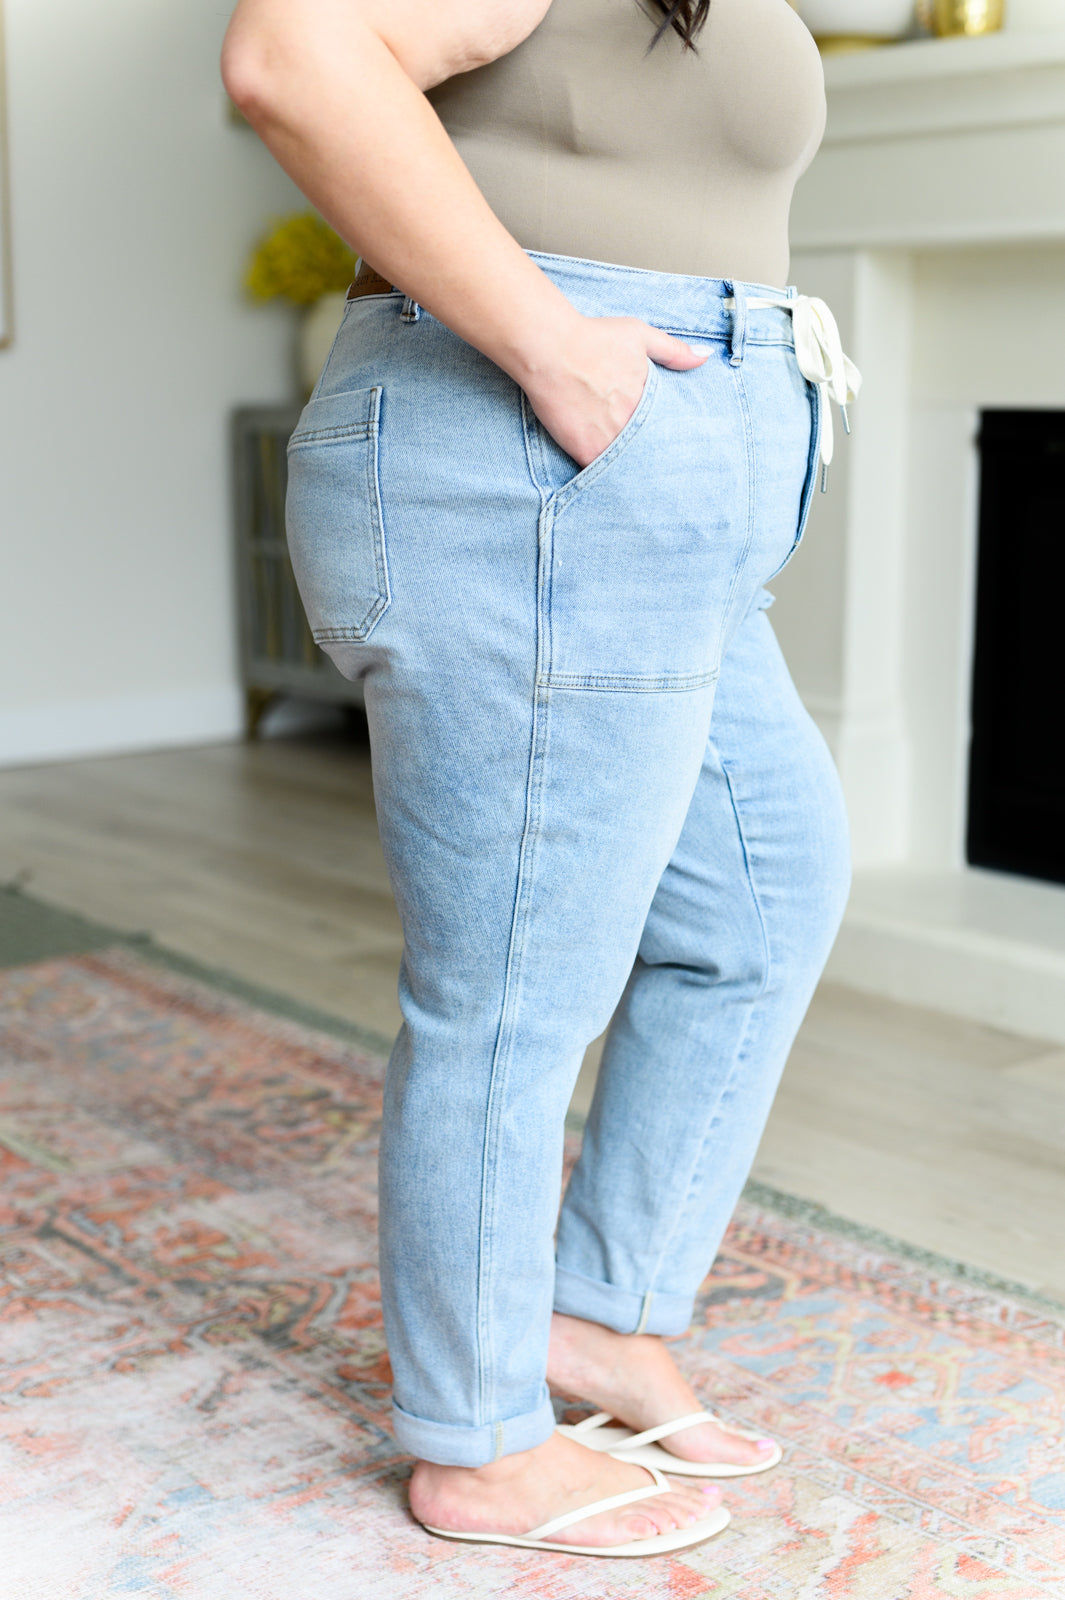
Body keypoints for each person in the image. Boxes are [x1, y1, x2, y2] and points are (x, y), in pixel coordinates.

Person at [222, 0, 858, 1560]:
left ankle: (603, 1316)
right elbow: (291, 56)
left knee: (763, 895)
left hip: (658, 480)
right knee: (516, 975)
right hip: (529, 448)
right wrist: (548, 342)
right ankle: (478, 1440)